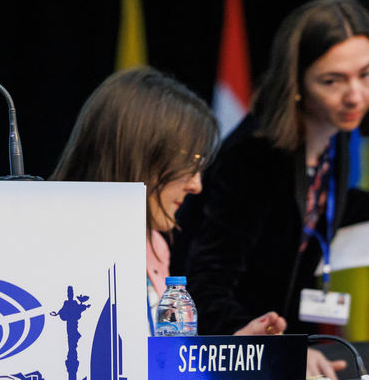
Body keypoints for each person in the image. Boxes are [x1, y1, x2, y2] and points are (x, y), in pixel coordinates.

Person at [177, 0, 369, 380]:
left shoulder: (333, 129)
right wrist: (281, 349)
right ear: (296, 83)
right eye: (332, 81)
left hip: (286, 347)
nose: (355, 95)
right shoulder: (253, 155)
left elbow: (306, 205)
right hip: (232, 359)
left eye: (366, 74)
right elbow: (206, 286)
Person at [50, 67, 286, 337]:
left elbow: (160, 356)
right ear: (139, 156)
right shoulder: (57, 248)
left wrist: (234, 348)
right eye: (188, 163)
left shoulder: (154, 244)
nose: (196, 185)